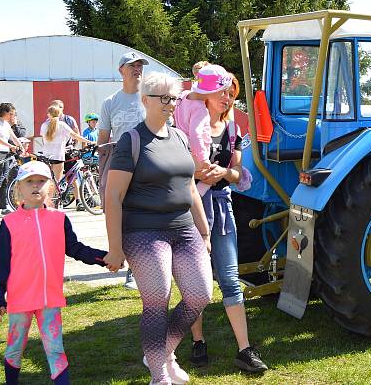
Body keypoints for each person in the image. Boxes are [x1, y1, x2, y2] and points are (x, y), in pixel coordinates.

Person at [103, 72, 213, 385]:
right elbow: (113, 196)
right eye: (162, 97)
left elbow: (190, 187)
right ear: (145, 100)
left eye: (174, 97)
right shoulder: (132, 141)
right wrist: (115, 246)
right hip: (143, 232)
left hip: (184, 229)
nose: (169, 103)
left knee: (200, 295)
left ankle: (162, 352)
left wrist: (203, 232)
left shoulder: (179, 136)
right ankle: (158, 375)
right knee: (157, 299)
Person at [0, 160, 109, 385]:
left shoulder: (59, 219)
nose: (36, 186)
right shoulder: (8, 223)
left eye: (41, 181)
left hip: (50, 300)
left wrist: (104, 258)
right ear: (19, 187)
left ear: (50, 186)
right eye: (30, 181)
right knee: (14, 349)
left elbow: (75, 248)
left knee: (56, 350)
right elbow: (1, 263)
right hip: (20, 300)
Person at [186, 73, 266, 373]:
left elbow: (239, 176)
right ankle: (198, 341)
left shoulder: (233, 129)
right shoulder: (187, 126)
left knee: (231, 280)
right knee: (195, 280)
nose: (227, 97)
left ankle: (245, 350)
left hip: (222, 209)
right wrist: (197, 174)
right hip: (194, 210)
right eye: (221, 91)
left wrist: (221, 173)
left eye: (230, 92)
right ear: (205, 95)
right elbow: (179, 170)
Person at [98, 51, 149, 290]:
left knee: (146, 215)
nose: (137, 69)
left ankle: (143, 266)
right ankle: (129, 266)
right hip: (120, 165)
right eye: (132, 65)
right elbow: (103, 141)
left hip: (148, 162)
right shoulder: (110, 102)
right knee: (122, 216)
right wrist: (104, 175)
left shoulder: (150, 98)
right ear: (121, 71)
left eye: (140, 65)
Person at [173, 63, 232, 196]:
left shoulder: (183, 95)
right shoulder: (200, 110)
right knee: (208, 176)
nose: (225, 96)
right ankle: (195, 199)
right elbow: (196, 134)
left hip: (182, 147)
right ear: (212, 91)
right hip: (195, 152)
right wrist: (204, 158)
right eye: (222, 91)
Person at [39, 106, 93, 183]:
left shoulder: (44, 125)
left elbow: (43, 140)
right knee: (57, 182)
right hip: (58, 156)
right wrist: (89, 142)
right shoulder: (62, 125)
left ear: (48, 114)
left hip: (46, 156)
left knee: (48, 181)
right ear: (59, 114)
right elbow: (75, 135)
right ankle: (56, 194)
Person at [0, 103, 25, 213]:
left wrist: (21, 147)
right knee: (0, 179)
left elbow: (14, 137)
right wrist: (11, 146)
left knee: (4, 180)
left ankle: (3, 206)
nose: (12, 116)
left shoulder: (6, 124)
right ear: (5, 113)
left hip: (5, 153)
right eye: (11, 114)